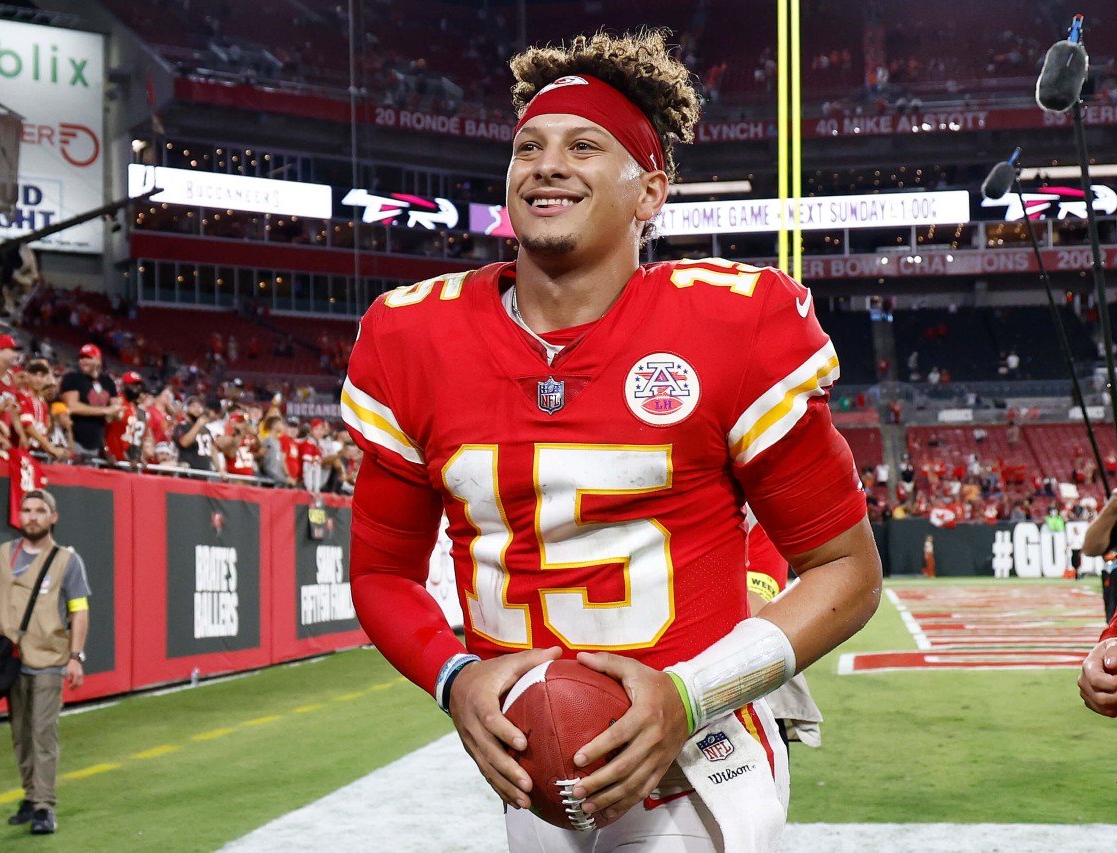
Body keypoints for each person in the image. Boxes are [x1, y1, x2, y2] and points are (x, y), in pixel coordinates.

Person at [341, 31, 880, 851]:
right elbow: (381, 570)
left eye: (583, 146)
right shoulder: (411, 336)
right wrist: (454, 679)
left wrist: (690, 694)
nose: (547, 165)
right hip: (534, 778)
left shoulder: (732, 323)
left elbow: (846, 570)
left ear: (649, 192)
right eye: (530, 147)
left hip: (701, 769)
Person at [0, 489, 90, 835]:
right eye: (26, 510)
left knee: (42, 732)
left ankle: (44, 806)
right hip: (9, 660)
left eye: (40, 510)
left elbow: (79, 612)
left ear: (53, 518)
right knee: (20, 734)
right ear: (19, 516)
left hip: (50, 658)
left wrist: (75, 657)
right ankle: (30, 795)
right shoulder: (3, 555)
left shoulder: (67, 561)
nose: (32, 516)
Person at [58, 344, 120, 457]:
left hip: (97, 443)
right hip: (74, 439)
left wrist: (116, 411)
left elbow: (117, 409)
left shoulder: (107, 381)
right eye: (81, 358)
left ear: (98, 360)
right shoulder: (72, 378)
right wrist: (105, 411)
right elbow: (72, 407)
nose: (84, 361)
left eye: (88, 357)